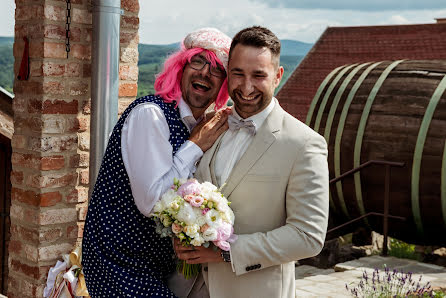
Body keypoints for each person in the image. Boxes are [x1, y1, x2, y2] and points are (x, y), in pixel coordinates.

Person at [175, 26, 329, 298]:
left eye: (259, 75)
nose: (246, 87)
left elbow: (308, 236)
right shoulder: (210, 126)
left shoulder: (304, 144)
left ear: (278, 76)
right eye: (238, 73)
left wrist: (224, 253)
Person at [82, 28, 232, 297]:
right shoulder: (151, 115)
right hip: (119, 266)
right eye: (197, 61)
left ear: (223, 84)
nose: (205, 73)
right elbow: (152, 202)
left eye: (217, 68)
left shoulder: (197, 126)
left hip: (154, 267)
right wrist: (195, 145)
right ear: (180, 68)